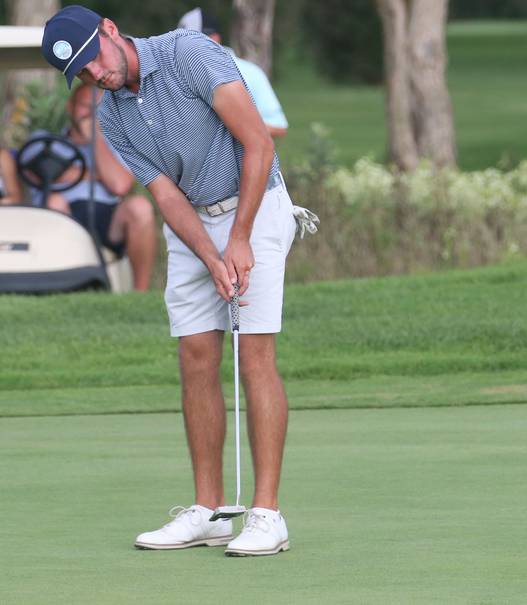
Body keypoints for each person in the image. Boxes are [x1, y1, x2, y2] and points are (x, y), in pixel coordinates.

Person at [41, 5, 316, 556]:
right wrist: (211, 258)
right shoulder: (113, 116)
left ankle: (267, 514)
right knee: (194, 353)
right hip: (192, 220)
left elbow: (259, 144)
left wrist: (237, 241)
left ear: (111, 32)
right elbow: (165, 196)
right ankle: (210, 511)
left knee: (253, 352)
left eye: (95, 60)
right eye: (83, 75)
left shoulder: (188, 56)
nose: (97, 77)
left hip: (255, 207)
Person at [29, 83, 156, 291]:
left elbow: (120, 185)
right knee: (54, 201)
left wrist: (94, 139)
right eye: (84, 106)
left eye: (97, 108)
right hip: (60, 215)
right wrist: (98, 176)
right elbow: (45, 175)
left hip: (105, 215)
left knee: (140, 206)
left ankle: (139, 293)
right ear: (70, 107)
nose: (90, 113)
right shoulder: (45, 140)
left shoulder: (116, 144)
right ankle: (57, 288)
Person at [178, 7, 289, 138]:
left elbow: (278, 127)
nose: (186, 49)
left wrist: (230, 127)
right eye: (181, 43)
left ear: (214, 38)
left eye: (193, 42)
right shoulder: (179, 73)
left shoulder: (250, 73)